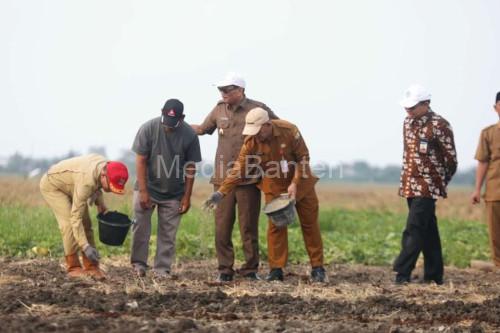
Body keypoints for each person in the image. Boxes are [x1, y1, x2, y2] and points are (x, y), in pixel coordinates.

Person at [203, 107, 326, 282]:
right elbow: (238, 169)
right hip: (274, 185)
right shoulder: (251, 141)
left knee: (310, 224)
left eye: (258, 131)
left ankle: (318, 268)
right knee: (276, 226)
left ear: (267, 125)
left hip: (302, 184)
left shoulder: (289, 130)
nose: (256, 135)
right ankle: (276, 270)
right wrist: (221, 193)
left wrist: (294, 183)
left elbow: (303, 158)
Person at [191, 73, 278, 281]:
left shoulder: (258, 109)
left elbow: (276, 129)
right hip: (222, 180)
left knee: (248, 227)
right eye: (221, 90)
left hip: (249, 179)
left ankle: (250, 270)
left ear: (241, 91)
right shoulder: (219, 108)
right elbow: (203, 129)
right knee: (222, 227)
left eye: (228, 90)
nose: (223, 93)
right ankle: (225, 270)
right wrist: (179, 126)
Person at [393, 84, 457, 285]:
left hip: (428, 186)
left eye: (412, 107)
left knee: (414, 227)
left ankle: (401, 272)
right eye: (407, 107)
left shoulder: (440, 125)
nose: (408, 111)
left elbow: (451, 160)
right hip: (410, 184)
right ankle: (434, 275)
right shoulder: (407, 123)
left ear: (426, 104)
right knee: (428, 230)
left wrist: (438, 181)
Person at [131, 98, 202, 277]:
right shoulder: (148, 128)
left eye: (173, 123)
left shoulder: (189, 136)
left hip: (174, 192)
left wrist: (186, 197)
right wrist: (144, 191)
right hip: (147, 187)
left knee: (168, 233)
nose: (168, 126)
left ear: (182, 118)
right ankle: (139, 264)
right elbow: (140, 160)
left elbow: (191, 167)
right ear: (161, 112)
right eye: (166, 121)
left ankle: (162, 269)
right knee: (140, 228)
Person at [39, 154, 129, 280]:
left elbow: (98, 185)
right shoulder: (86, 182)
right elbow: (75, 219)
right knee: (70, 225)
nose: (110, 190)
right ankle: (73, 267)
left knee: (87, 224)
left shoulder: (104, 167)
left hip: (73, 185)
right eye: (110, 186)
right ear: (104, 175)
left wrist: (100, 204)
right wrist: (86, 247)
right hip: (53, 186)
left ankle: (91, 267)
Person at [471, 91, 500, 268]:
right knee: (496, 233)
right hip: (495, 189)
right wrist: (477, 190)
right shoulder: (488, 133)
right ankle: (498, 266)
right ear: (495, 107)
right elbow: (482, 162)